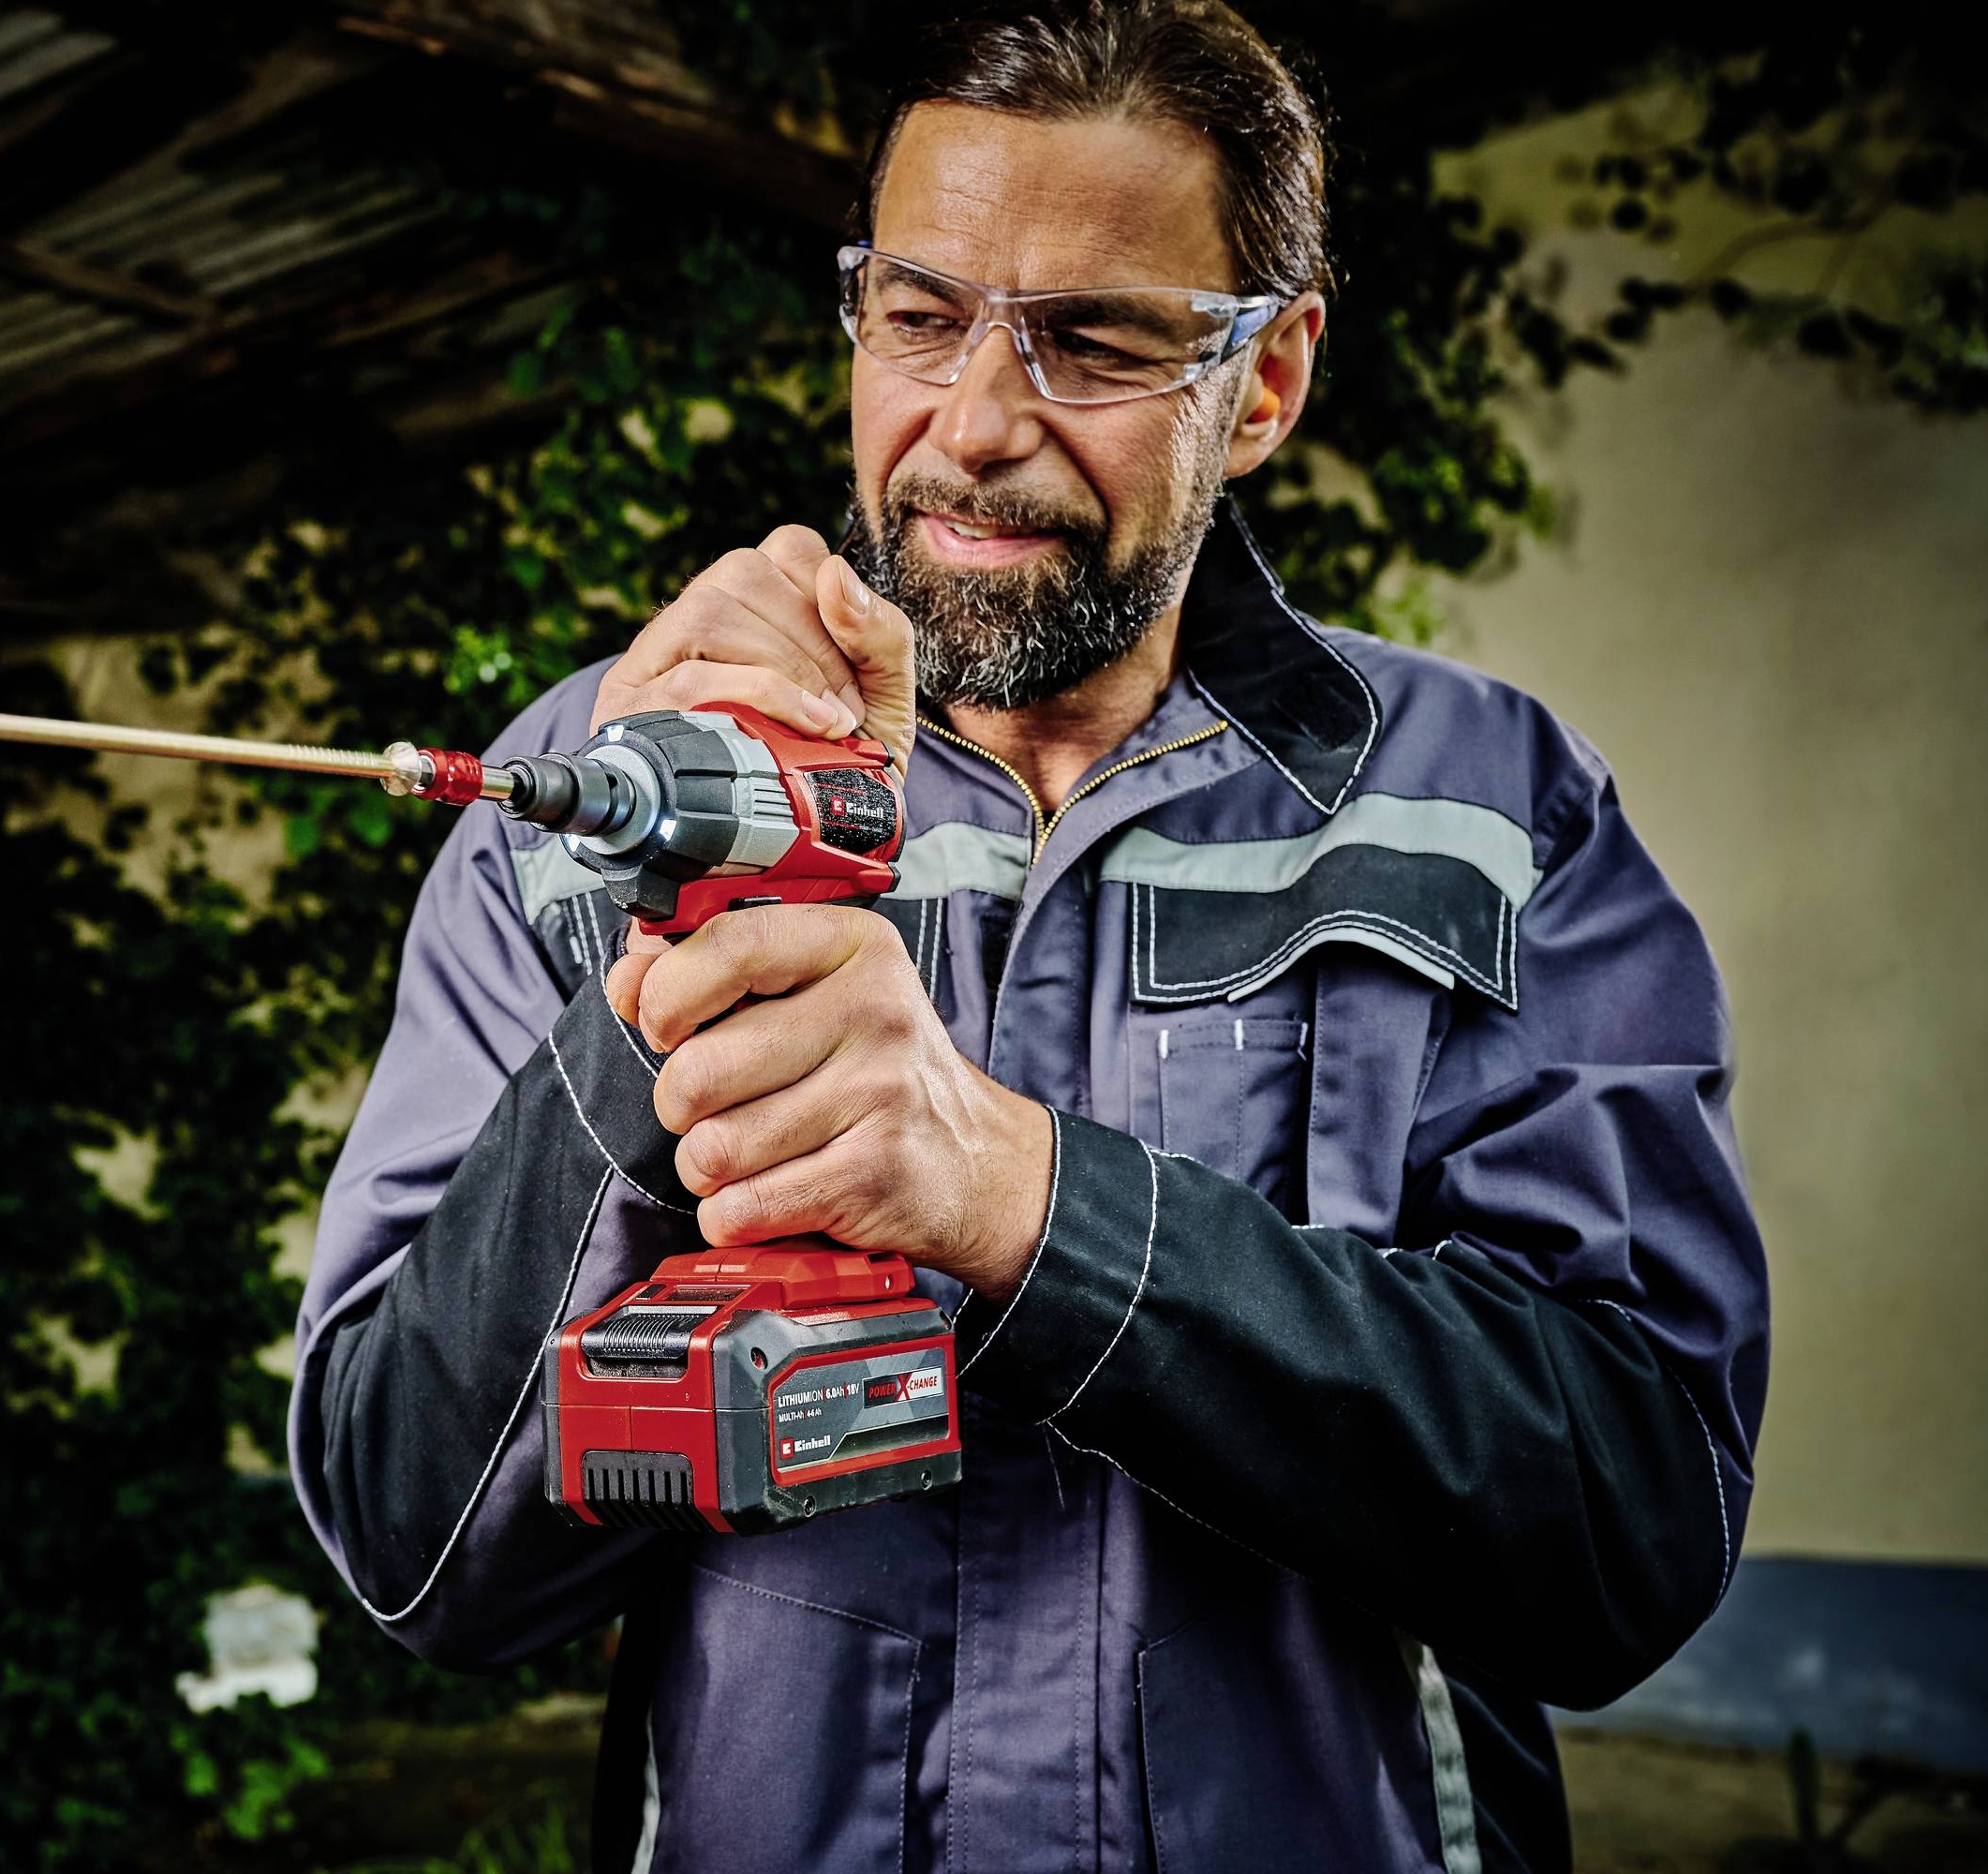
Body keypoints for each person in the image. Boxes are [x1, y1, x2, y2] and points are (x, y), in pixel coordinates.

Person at [287, 6, 1767, 1869]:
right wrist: (662, 992)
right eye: (920, 316)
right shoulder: (601, 788)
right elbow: (412, 1549)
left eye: (1096, 341)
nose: (977, 425)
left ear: (1267, 380)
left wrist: (1023, 1202)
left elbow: (1630, 1528)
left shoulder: (1488, 813)